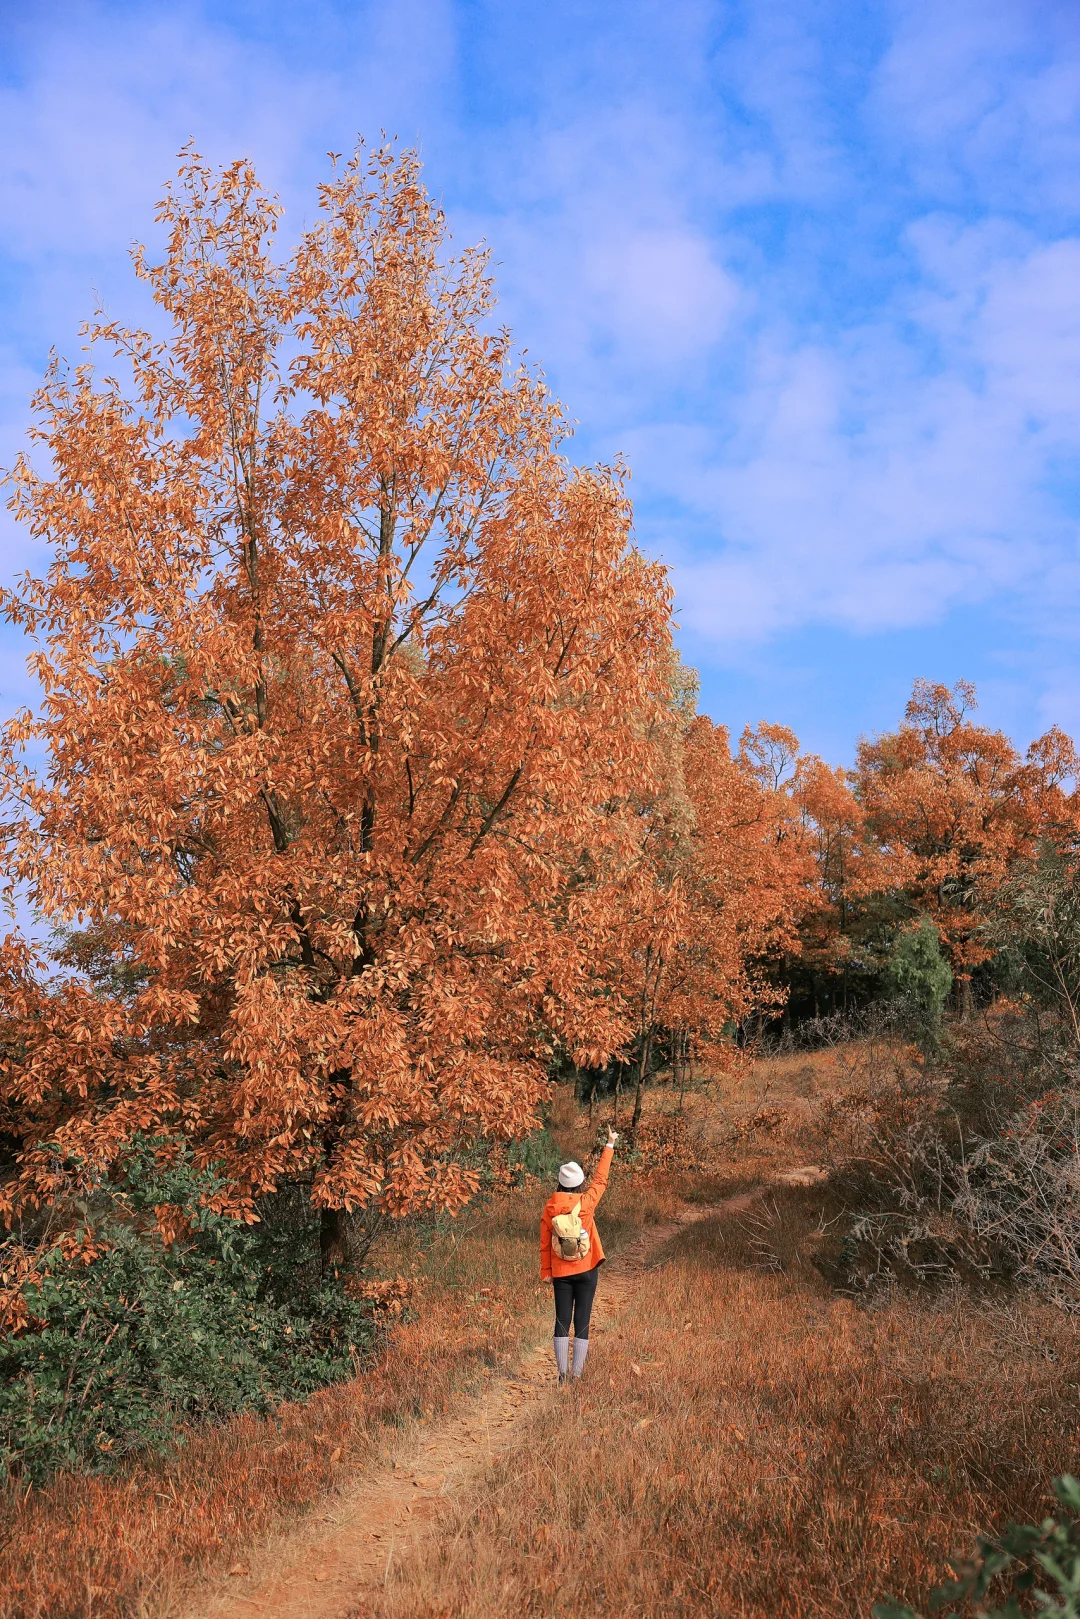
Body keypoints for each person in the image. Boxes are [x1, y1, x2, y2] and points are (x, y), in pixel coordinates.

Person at [539, 1125, 619, 1383]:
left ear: (560, 1183)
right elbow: (601, 1180)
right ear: (579, 1184)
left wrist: (547, 1272)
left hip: (561, 1272)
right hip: (586, 1270)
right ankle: (577, 1375)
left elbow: (543, 1244)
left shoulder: (550, 1208)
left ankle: (562, 1374)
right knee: (582, 1320)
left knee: (562, 1320)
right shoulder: (586, 1202)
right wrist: (609, 1144)